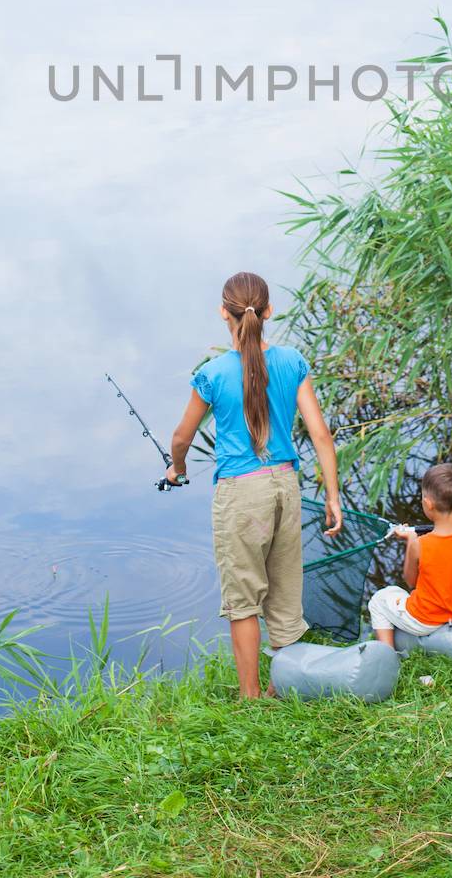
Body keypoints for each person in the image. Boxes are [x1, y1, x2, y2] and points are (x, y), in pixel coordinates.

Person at [165, 270, 342, 699]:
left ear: (223, 312)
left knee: (244, 597)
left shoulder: (212, 373)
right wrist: (333, 495)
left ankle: (251, 696)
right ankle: (286, 686)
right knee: (284, 592)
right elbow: (320, 434)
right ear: (268, 312)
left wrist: (178, 468)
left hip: (242, 494)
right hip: (286, 486)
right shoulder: (292, 361)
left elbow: (181, 438)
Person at [367, 462, 452, 650]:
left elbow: (410, 582)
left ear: (428, 504)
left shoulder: (419, 544)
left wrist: (410, 541)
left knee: (380, 599)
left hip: (426, 619)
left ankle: (386, 654)